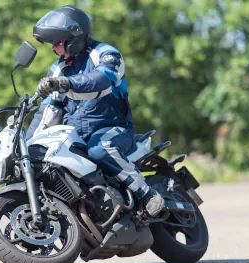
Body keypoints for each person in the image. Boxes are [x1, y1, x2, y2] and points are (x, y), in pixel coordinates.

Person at [27, 5, 164, 217]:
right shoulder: (57, 69)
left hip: (113, 129)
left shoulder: (106, 54)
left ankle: (146, 194)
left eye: (56, 42)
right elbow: (46, 113)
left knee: (100, 148)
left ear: (72, 38)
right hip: (78, 136)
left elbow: (100, 79)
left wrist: (65, 83)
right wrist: (26, 147)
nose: (53, 48)